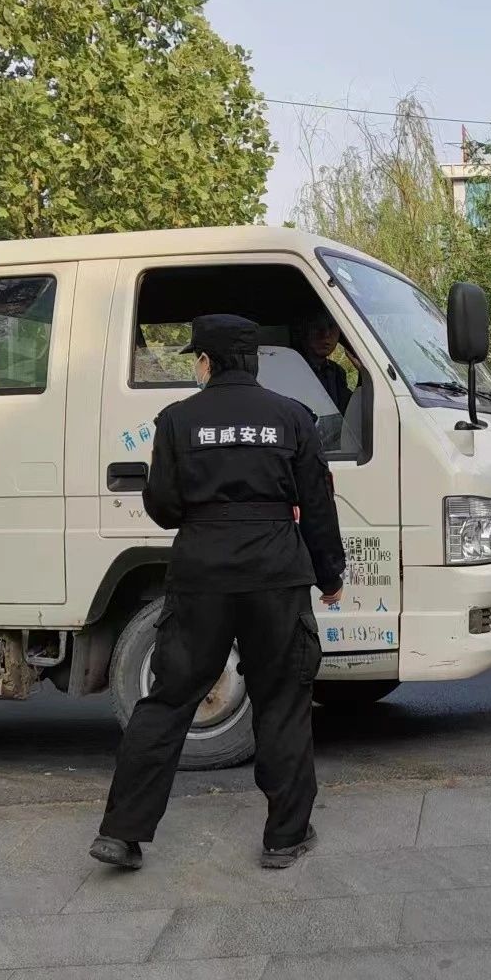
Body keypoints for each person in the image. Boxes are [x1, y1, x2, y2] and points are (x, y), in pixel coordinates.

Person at [91, 314, 346, 870]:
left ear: (207, 361)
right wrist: (330, 576)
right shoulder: (293, 417)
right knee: (282, 700)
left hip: (201, 575)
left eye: (197, 359)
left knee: (168, 700)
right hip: (275, 574)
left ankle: (122, 832)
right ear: (253, 362)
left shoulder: (177, 421)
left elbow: (164, 509)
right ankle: (285, 837)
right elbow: (318, 506)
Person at [292, 306, 353, 414]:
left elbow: (349, 411)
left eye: (332, 326)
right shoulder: (290, 369)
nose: (326, 334)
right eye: (317, 327)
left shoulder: (336, 372)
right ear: (303, 330)